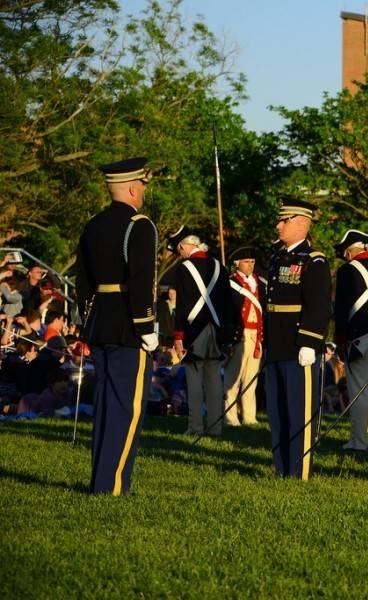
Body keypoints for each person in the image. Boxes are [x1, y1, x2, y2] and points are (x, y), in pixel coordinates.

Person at [75, 156, 158, 495]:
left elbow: (82, 281)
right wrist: (146, 326)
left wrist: (87, 319)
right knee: (127, 407)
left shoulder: (93, 225)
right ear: (133, 189)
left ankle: (101, 480)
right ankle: (112, 486)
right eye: (142, 188)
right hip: (127, 324)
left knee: (107, 405)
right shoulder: (139, 225)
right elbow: (140, 281)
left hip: (100, 322)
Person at [263, 198, 331, 479]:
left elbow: (318, 304)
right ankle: (282, 467)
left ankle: (299, 469)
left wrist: (310, 341)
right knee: (278, 412)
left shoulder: (313, 260)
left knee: (299, 410)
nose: (279, 225)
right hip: (277, 342)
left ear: (302, 223)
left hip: (298, 342)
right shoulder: (279, 256)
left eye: (284, 220)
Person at [169, 228, 236, 437]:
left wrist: (179, 336)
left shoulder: (183, 268)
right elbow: (228, 304)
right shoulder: (219, 267)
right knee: (214, 380)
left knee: (194, 379)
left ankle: (195, 427)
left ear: (186, 246)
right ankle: (216, 427)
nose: (179, 253)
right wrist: (228, 332)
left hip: (194, 330)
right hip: (216, 330)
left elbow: (181, 306)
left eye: (179, 249)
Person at [333, 229, 368, 451]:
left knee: (359, 391)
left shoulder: (347, 270)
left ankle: (358, 441)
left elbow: (341, 309)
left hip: (358, 337)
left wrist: (340, 338)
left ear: (349, 251)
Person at [223, 247, 264, 427]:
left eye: (253, 262)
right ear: (237, 264)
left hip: (257, 335)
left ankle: (249, 416)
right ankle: (230, 417)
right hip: (239, 336)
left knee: (251, 379)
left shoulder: (260, 282)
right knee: (233, 379)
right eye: (247, 262)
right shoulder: (230, 283)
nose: (251, 265)